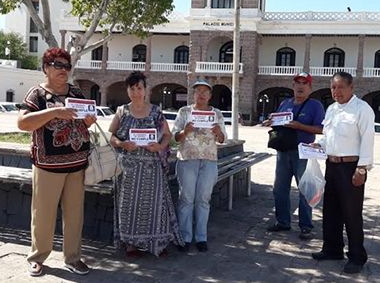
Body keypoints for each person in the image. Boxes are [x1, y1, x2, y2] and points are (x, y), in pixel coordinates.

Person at [17, 47, 95, 277]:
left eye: (67, 66)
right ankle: (37, 257)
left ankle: (73, 257)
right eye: (58, 65)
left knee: (74, 214)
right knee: (43, 214)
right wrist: (54, 113)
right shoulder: (37, 95)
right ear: (46, 68)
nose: (63, 70)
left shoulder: (78, 93)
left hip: (77, 164)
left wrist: (88, 121)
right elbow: (23, 123)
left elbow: (83, 124)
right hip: (47, 165)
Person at [109, 71, 182, 257]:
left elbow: (167, 135)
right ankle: (131, 244)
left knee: (155, 204)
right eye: (132, 88)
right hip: (128, 169)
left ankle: (157, 242)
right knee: (129, 205)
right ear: (127, 90)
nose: (135, 92)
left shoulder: (156, 112)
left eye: (139, 88)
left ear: (145, 89)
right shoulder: (122, 111)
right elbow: (111, 136)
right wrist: (122, 143)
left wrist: (159, 146)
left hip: (152, 167)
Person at [311, 71, 375, 274]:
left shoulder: (362, 109)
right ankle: (332, 249)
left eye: (340, 87)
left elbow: (367, 140)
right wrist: (316, 144)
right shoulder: (331, 109)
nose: (336, 91)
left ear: (351, 88)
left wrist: (362, 169)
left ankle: (357, 257)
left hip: (351, 167)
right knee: (330, 211)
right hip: (332, 165)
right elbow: (328, 137)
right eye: (333, 87)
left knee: (352, 214)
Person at [264, 72, 324, 240]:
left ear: (310, 88)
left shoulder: (315, 106)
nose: (300, 86)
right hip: (283, 152)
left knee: (305, 189)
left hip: (303, 152)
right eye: (297, 83)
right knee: (279, 189)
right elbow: (277, 122)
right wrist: (271, 122)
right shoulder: (285, 103)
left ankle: (306, 226)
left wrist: (300, 126)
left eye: (304, 83)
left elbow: (321, 129)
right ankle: (283, 222)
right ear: (293, 86)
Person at [173, 79, 226, 252]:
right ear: (193, 94)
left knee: (203, 199)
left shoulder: (216, 113)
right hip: (187, 159)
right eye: (198, 91)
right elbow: (175, 138)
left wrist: (219, 133)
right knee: (186, 199)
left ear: (210, 95)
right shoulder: (184, 111)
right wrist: (184, 132)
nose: (201, 94)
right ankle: (185, 237)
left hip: (209, 160)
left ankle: (201, 237)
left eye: (205, 91)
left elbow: (222, 139)